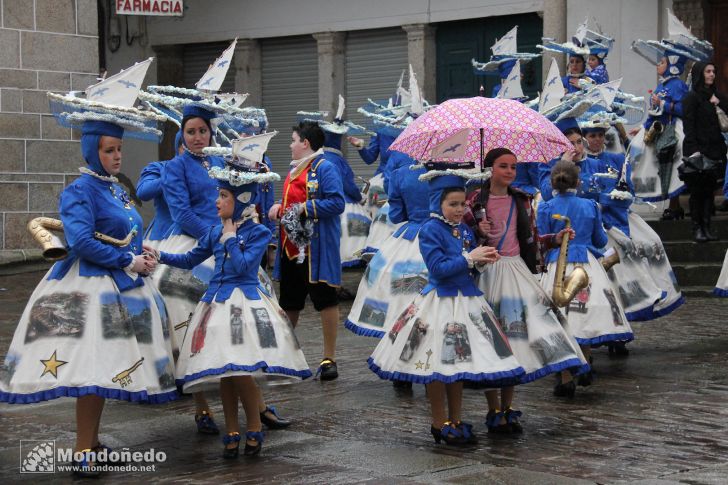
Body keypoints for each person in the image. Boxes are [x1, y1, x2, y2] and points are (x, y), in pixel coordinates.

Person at [0, 79, 177, 477]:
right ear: (92, 151)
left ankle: (92, 444)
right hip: (88, 289)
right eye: (109, 150)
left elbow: (131, 229)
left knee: (103, 371)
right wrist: (126, 262)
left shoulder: (116, 190)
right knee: (92, 371)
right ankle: (83, 451)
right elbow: (79, 240)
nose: (117, 156)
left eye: (119, 150)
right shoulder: (81, 190)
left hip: (120, 285)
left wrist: (141, 251)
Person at [155, 160, 310, 458]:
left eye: (224, 196)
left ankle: (253, 425)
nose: (217, 201)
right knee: (225, 372)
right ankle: (232, 430)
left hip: (245, 306)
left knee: (242, 371)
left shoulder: (259, 233)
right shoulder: (214, 231)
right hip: (215, 305)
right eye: (219, 195)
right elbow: (190, 259)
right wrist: (160, 254)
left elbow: (242, 267)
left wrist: (230, 240)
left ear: (242, 200)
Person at [368, 170, 525, 444]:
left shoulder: (463, 229)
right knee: (438, 365)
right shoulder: (430, 230)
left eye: (462, 204)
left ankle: (456, 417)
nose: (459, 209)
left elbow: (467, 265)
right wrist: (469, 258)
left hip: (466, 299)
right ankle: (439, 422)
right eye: (452, 204)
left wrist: (481, 259)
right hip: (440, 302)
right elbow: (438, 270)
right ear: (436, 203)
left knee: (458, 365)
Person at [468, 149, 587, 406]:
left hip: (516, 272)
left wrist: (554, 239)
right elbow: (464, 240)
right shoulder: (475, 202)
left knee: (518, 339)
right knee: (492, 340)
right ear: (490, 169)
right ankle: (493, 408)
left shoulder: (522, 200)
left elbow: (530, 238)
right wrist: (478, 230)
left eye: (513, 166)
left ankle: (508, 407)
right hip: (487, 273)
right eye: (503, 166)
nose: (510, 171)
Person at [538, 161, 633, 385]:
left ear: (553, 182)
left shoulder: (546, 207)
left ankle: (565, 376)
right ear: (578, 182)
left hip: (556, 264)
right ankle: (587, 361)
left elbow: (544, 239)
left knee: (560, 317)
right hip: (587, 264)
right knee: (586, 313)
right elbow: (600, 241)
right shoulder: (590, 205)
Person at [583, 116, 685, 322]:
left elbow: (628, 189)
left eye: (600, 135)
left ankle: (652, 293)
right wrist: (603, 198)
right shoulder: (582, 163)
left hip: (620, 215)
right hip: (597, 221)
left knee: (651, 241)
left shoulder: (618, 159)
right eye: (592, 136)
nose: (596, 140)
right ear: (585, 138)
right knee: (616, 267)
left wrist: (622, 195)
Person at [268, 121, 345, 380]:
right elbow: (293, 202)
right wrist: (280, 208)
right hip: (291, 248)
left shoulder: (325, 168)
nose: (290, 145)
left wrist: (305, 208)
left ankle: (329, 358)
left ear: (305, 143)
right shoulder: (294, 171)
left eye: (293, 140)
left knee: (325, 300)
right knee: (289, 302)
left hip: (316, 249)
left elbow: (336, 203)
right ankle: (284, 356)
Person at [629, 53, 689, 217]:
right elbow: (654, 112)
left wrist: (662, 103)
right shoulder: (660, 86)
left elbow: (683, 110)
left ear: (672, 65)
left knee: (673, 167)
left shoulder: (678, 85)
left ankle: (675, 205)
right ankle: (671, 205)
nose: (658, 65)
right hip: (659, 130)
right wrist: (643, 127)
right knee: (657, 166)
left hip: (674, 131)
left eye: (662, 62)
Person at [681, 61, 728, 242]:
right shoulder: (692, 97)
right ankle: (697, 228)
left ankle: (707, 227)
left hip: (715, 150)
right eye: (708, 71)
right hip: (698, 151)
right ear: (700, 73)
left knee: (709, 191)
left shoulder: (716, 95)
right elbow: (689, 126)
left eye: (713, 71)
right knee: (697, 191)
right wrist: (694, 150)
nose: (712, 74)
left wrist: (719, 102)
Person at [137, 131, 183, 251]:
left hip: (200, 237)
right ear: (180, 146)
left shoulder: (210, 171)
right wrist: (173, 175)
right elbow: (143, 191)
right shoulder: (160, 168)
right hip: (163, 239)